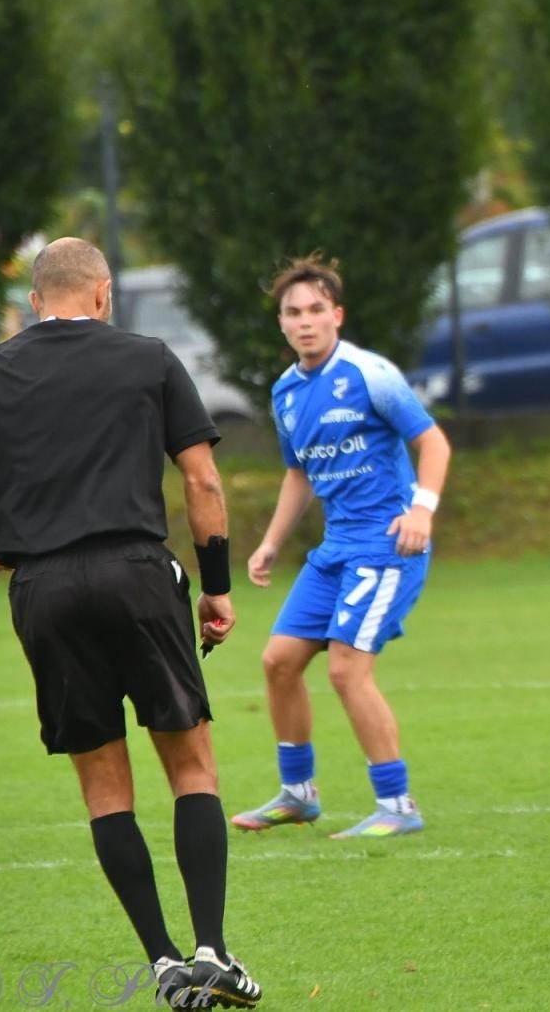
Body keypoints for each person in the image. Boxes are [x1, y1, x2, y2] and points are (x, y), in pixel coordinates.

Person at [0, 238, 262, 1006]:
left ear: (34, 302)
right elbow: (202, 478)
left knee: (104, 789)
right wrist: (216, 590)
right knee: (191, 767)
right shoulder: (148, 358)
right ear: (103, 294)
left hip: (44, 591)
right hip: (137, 576)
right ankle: (212, 950)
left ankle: (161, 963)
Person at [232, 254, 451, 839]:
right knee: (278, 662)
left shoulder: (369, 374)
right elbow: (299, 474)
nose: (305, 321)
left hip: (387, 545)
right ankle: (298, 795)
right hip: (335, 549)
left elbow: (434, 444)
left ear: (337, 315)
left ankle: (397, 805)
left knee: (347, 670)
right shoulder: (285, 393)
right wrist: (271, 543)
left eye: (315, 310)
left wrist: (422, 512)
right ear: (281, 322)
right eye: (293, 312)